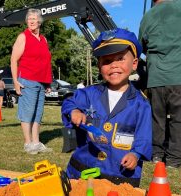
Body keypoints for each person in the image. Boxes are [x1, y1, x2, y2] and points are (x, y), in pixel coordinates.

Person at [61, 28, 152, 187]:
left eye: (120, 58)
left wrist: (135, 155)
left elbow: (144, 137)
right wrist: (73, 111)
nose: (114, 65)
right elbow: (69, 102)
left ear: (134, 63)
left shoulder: (141, 104)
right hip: (82, 173)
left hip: (119, 177)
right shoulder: (89, 94)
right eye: (107, 61)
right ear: (99, 66)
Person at [139, 0, 181, 169]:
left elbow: (141, 45)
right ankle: (174, 160)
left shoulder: (147, 16)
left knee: (157, 119)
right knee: (178, 120)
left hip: (156, 78)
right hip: (180, 77)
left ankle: (156, 155)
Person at [10, 8, 53, 154]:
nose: (32, 21)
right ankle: (28, 144)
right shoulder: (23, 37)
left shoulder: (44, 39)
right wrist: (16, 81)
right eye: (29, 19)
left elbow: (45, 62)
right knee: (27, 113)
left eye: (34, 19)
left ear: (40, 21)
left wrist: (47, 82)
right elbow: (14, 60)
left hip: (41, 82)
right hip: (27, 80)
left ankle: (36, 142)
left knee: (38, 113)